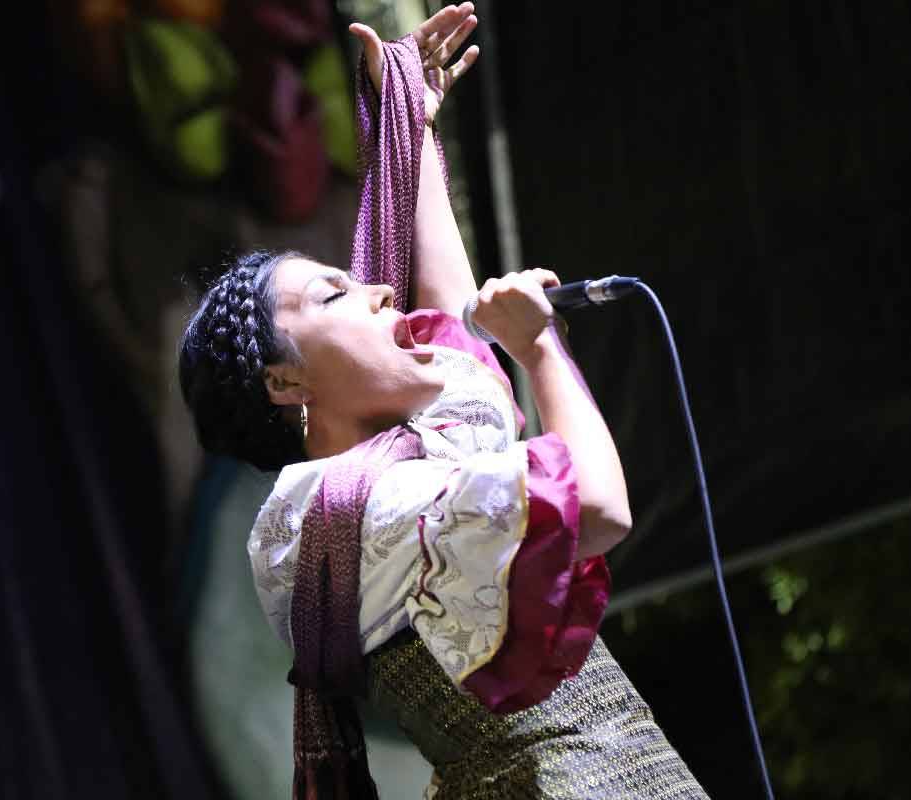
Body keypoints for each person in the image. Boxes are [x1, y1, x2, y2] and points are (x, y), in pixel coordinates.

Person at [180, 4, 709, 798]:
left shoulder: (411, 463)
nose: (381, 291)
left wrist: (409, 124)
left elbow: (454, 327)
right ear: (284, 380)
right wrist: (537, 347)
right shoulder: (326, 513)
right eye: (336, 294)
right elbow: (598, 509)